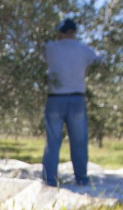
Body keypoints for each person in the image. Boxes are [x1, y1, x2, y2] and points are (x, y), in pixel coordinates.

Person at [41, 18, 103, 187]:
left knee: (53, 141)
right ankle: (81, 178)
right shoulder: (83, 49)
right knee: (79, 141)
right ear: (74, 32)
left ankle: (49, 179)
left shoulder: (51, 48)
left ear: (60, 32)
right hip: (77, 98)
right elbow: (100, 60)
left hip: (55, 98)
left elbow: (39, 57)